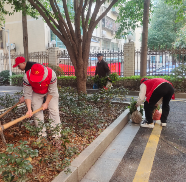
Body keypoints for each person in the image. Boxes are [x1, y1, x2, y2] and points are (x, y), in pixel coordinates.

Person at [23, 63, 60, 139]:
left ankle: (56, 135)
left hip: (50, 93)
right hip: (36, 92)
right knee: (36, 112)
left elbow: (52, 91)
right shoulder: (27, 76)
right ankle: (42, 135)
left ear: (43, 73)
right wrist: (29, 109)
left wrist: (46, 103)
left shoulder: (51, 74)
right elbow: (27, 94)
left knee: (54, 110)